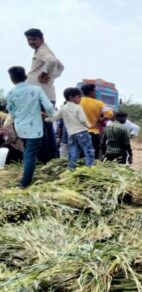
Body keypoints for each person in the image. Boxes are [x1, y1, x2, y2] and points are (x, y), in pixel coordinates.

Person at [6, 66, 54, 188]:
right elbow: (48, 107)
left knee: (27, 152)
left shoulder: (11, 93)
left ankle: (27, 175)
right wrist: (48, 115)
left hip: (20, 128)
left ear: (12, 80)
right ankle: (25, 184)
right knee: (31, 155)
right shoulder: (36, 89)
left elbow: (11, 112)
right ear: (26, 76)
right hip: (35, 129)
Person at [25, 28, 64, 163]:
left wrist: (45, 72)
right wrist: (52, 75)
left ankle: (45, 159)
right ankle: (50, 157)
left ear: (41, 38)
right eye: (29, 39)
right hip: (45, 94)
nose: (31, 42)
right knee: (46, 126)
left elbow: (52, 61)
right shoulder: (43, 50)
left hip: (42, 96)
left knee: (41, 127)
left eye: (34, 39)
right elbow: (61, 66)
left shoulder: (43, 51)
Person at [44, 88, 94, 169]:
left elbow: (54, 117)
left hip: (71, 135)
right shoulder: (78, 107)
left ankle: (71, 168)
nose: (80, 99)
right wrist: (89, 125)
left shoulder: (63, 108)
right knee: (88, 151)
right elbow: (82, 120)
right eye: (79, 97)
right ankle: (90, 168)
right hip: (82, 132)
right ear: (71, 97)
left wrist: (45, 118)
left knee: (73, 153)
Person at [80, 83, 113, 159]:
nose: (95, 93)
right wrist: (100, 120)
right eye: (95, 91)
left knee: (80, 155)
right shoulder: (98, 103)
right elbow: (110, 114)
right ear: (91, 92)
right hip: (93, 132)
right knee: (93, 154)